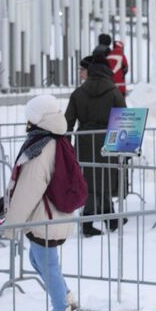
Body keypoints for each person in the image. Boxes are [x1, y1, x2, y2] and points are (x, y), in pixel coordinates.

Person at [4, 94, 80, 311]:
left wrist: (11, 225)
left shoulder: (41, 147)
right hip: (57, 213)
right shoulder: (58, 139)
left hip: (45, 216)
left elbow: (28, 189)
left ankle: (60, 308)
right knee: (38, 259)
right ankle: (66, 295)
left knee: (46, 262)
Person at [66, 54, 127, 236]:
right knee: (106, 177)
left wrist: (67, 146)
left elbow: (68, 121)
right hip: (108, 139)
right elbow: (123, 118)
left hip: (84, 140)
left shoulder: (78, 93)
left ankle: (107, 217)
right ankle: (90, 221)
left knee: (88, 179)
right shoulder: (114, 92)